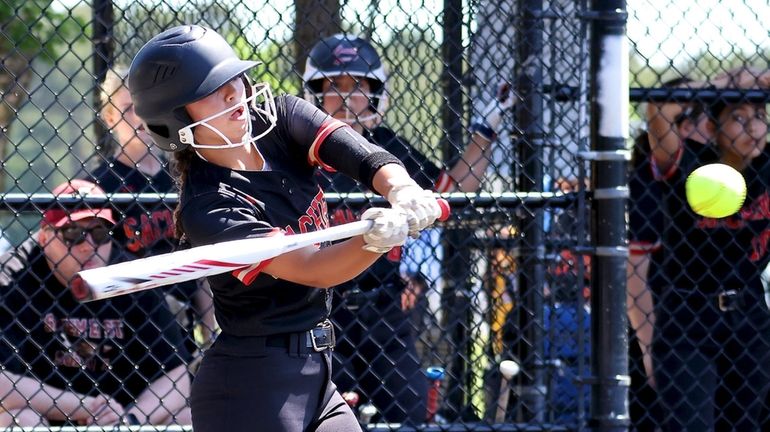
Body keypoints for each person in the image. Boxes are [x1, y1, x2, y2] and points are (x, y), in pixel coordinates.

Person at [127, 25, 443, 432]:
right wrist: (373, 241)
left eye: (232, 80)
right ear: (175, 120)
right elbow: (314, 268)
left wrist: (400, 187)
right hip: (252, 389)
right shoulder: (208, 205)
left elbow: (359, 153)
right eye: (211, 90)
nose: (232, 93)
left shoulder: (280, 118)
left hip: (316, 375)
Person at [302, 33, 511, 423]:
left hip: (383, 307)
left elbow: (452, 189)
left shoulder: (388, 150)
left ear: (377, 93)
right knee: (335, 414)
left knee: (413, 412)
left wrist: (485, 131)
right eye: (334, 86)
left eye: (358, 86)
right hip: (320, 309)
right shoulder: (301, 153)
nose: (347, 98)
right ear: (315, 92)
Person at [0, 179, 192, 427]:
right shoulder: (13, 275)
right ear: (45, 237)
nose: (88, 246)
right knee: (19, 419)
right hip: (49, 414)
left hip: (120, 416)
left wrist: (129, 420)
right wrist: (86, 407)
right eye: (73, 234)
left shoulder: (128, 274)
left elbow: (176, 375)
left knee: (189, 417)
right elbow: (4, 385)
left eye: (100, 232)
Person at [648, 66, 770, 430]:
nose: (752, 128)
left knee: (744, 424)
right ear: (714, 129)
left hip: (749, 312)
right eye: (738, 117)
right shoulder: (690, 163)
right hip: (688, 313)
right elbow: (659, 109)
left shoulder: (768, 167)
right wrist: (725, 84)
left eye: (760, 117)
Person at [87, 66, 215, 355]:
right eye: (129, 108)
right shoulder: (99, 185)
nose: (140, 116)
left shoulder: (184, 175)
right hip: (127, 332)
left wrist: (209, 336)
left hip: (182, 327)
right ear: (110, 118)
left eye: (146, 105)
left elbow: (203, 266)